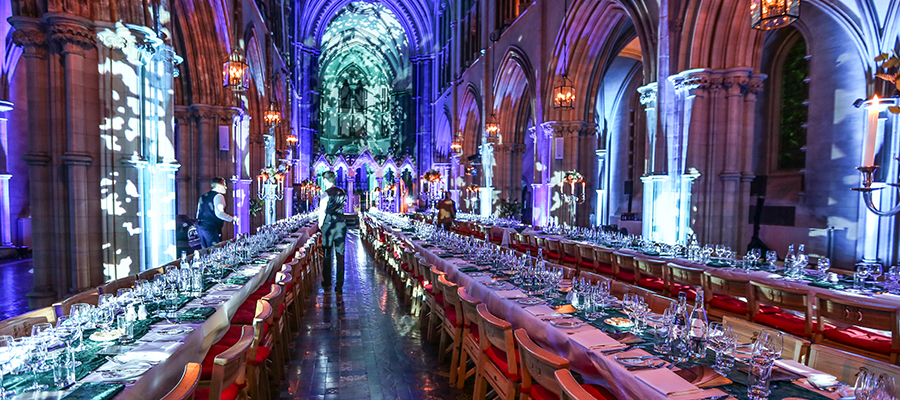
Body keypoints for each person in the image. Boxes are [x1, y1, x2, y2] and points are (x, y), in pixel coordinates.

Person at [318, 171, 348, 291]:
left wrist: (320, 225)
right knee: (340, 254)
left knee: (327, 254)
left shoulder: (325, 194)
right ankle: (339, 284)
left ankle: (327, 282)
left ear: (325, 180)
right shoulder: (342, 192)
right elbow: (342, 207)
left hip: (329, 225)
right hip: (341, 224)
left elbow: (322, 211)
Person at [196, 177, 237, 249]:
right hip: (211, 228)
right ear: (218, 186)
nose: (226, 187)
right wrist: (232, 218)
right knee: (214, 250)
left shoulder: (203, 197)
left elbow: (198, 213)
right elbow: (219, 213)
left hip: (200, 227)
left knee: (204, 250)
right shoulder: (218, 196)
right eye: (224, 185)